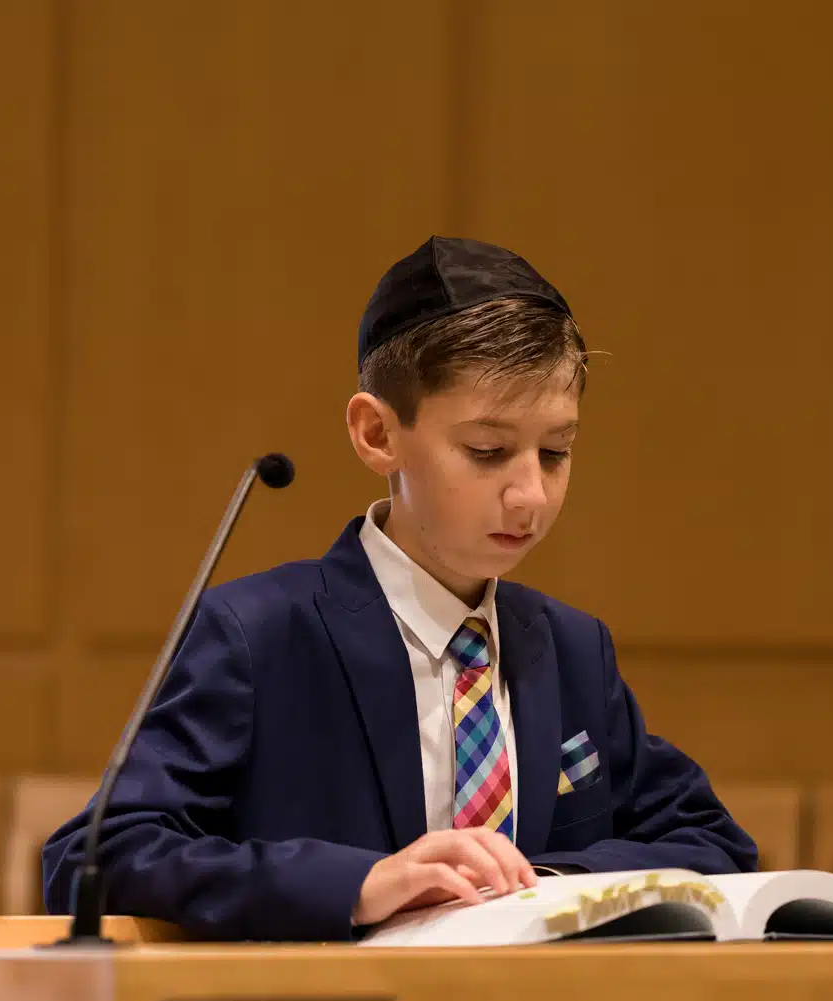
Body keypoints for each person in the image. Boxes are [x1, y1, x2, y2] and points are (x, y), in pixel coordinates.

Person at [42, 235, 756, 940]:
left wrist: (537, 889)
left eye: (556, 451)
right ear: (377, 433)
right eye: (488, 451)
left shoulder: (571, 648)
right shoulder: (260, 635)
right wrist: (359, 883)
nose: (531, 494)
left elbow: (711, 841)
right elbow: (91, 858)